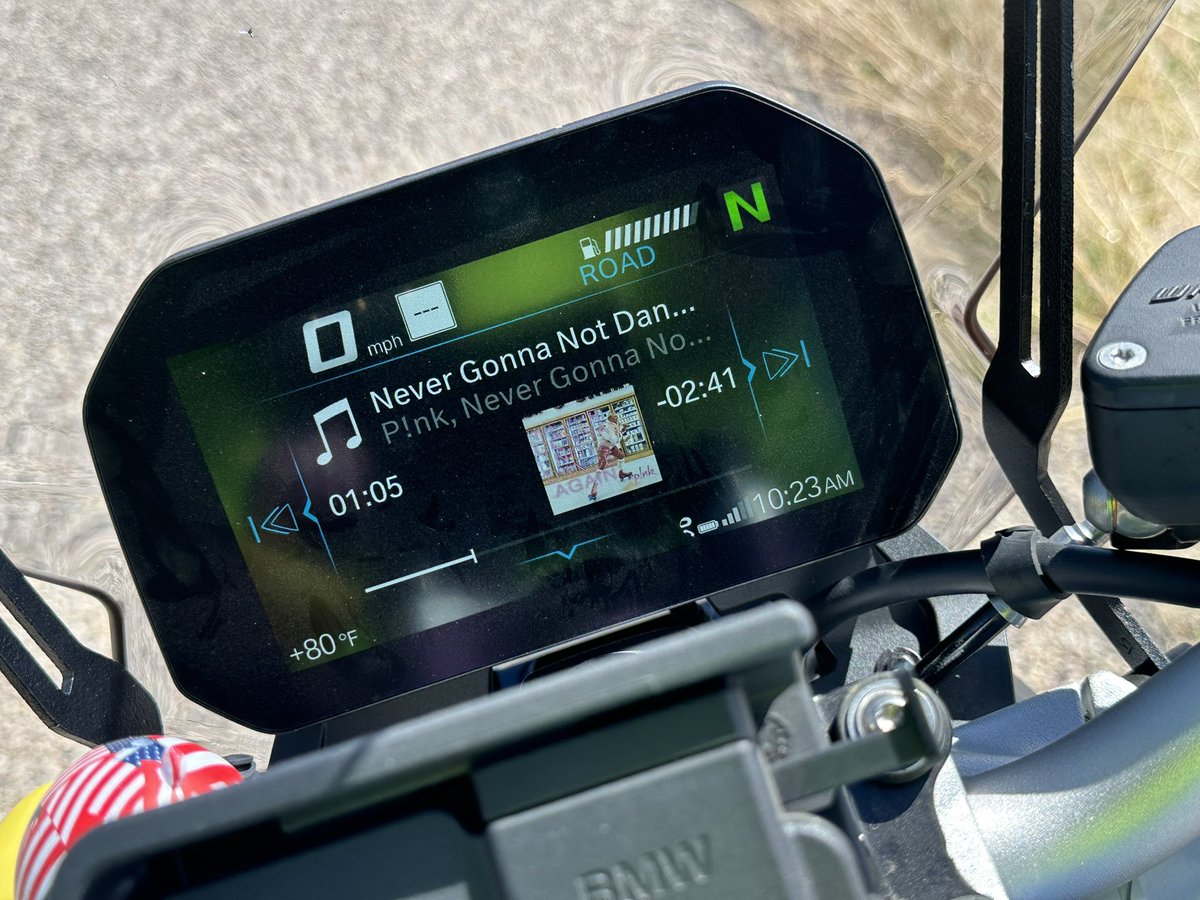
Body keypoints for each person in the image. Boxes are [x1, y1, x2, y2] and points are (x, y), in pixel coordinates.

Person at [588, 411, 632, 502]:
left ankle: (621, 473)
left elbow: (618, 434)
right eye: (613, 418)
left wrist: (623, 429)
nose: (616, 419)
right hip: (603, 447)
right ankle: (593, 490)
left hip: (611, 446)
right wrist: (622, 433)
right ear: (609, 419)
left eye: (616, 417)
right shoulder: (608, 427)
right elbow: (614, 439)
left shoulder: (616, 425)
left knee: (621, 456)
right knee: (601, 467)